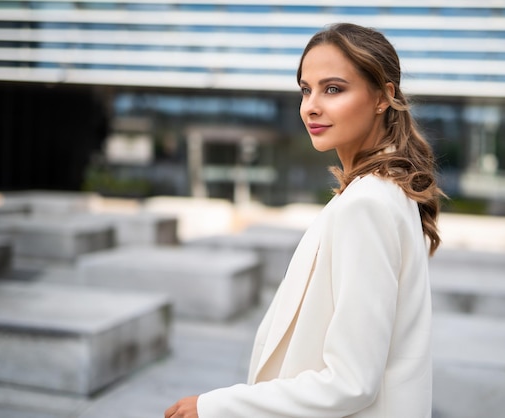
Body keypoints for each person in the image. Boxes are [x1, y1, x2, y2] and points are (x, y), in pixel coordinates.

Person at [165, 22, 442, 418]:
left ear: (383, 97)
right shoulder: (379, 194)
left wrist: (216, 407)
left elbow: (351, 382)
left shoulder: (367, 205)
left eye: (333, 89)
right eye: (305, 89)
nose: (310, 106)